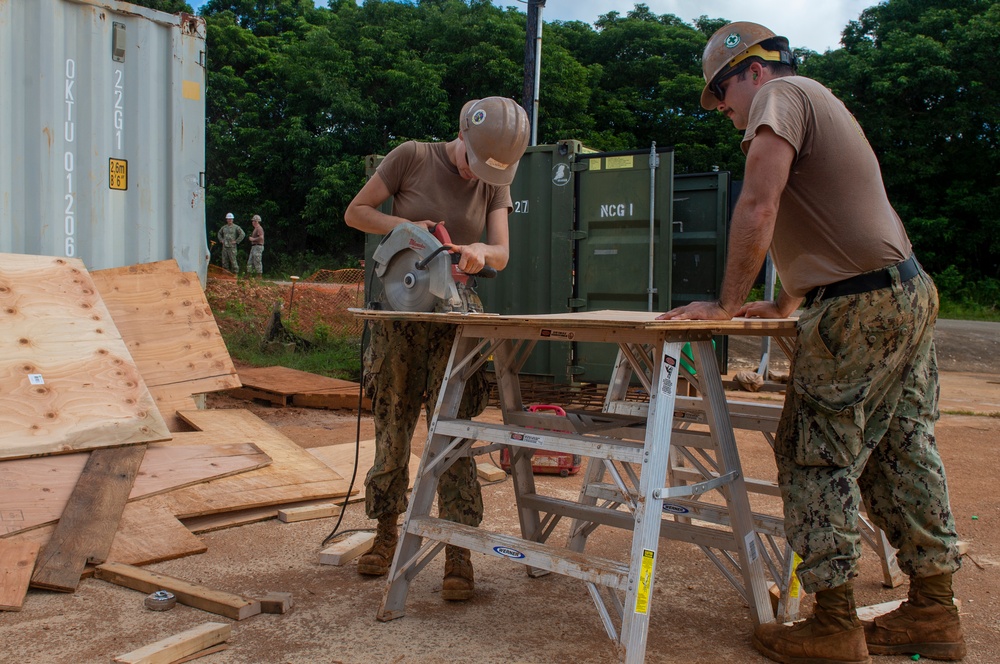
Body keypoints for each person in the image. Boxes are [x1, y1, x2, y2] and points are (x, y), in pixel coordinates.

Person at [659, 22, 964, 663]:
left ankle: (834, 624)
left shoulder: (780, 96)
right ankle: (935, 611)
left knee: (812, 456)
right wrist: (789, 299)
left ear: (752, 69)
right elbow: (850, 217)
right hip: (903, 290)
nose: (724, 110)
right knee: (902, 449)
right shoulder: (823, 103)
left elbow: (760, 205)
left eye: (722, 92)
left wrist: (726, 306)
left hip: (856, 306)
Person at [344, 97, 530, 601]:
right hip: (401, 313)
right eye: (473, 163)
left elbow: (502, 252)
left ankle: (458, 554)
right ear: (461, 137)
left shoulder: (495, 175)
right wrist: (405, 229)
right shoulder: (411, 156)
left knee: (453, 440)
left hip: (456, 319)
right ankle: (385, 537)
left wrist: (478, 253)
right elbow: (356, 212)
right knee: (393, 430)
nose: (478, 176)